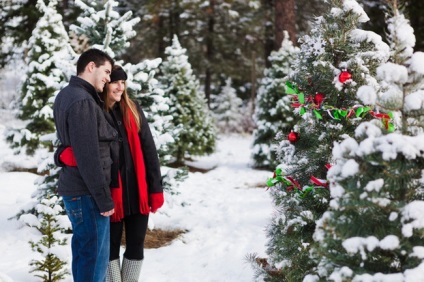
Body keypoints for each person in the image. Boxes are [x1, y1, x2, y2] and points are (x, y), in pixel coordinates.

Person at [53, 48, 117, 282]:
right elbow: (88, 155)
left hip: (78, 190)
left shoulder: (67, 95)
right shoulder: (83, 101)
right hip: (88, 193)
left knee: (84, 256)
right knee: (94, 263)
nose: (109, 78)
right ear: (91, 66)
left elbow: (70, 144)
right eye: (106, 71)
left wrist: (60, 155)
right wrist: (103, 198)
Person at [102, 65, 164, 282]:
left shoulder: (133, 109)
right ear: (105, 84)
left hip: (138, 193)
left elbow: (149, 151)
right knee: (109, 250)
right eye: (115, 82)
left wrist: (155, 189)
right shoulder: (98, 112)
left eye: (123, 83)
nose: (120, 87)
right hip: (112, 196)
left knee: (136, 246)